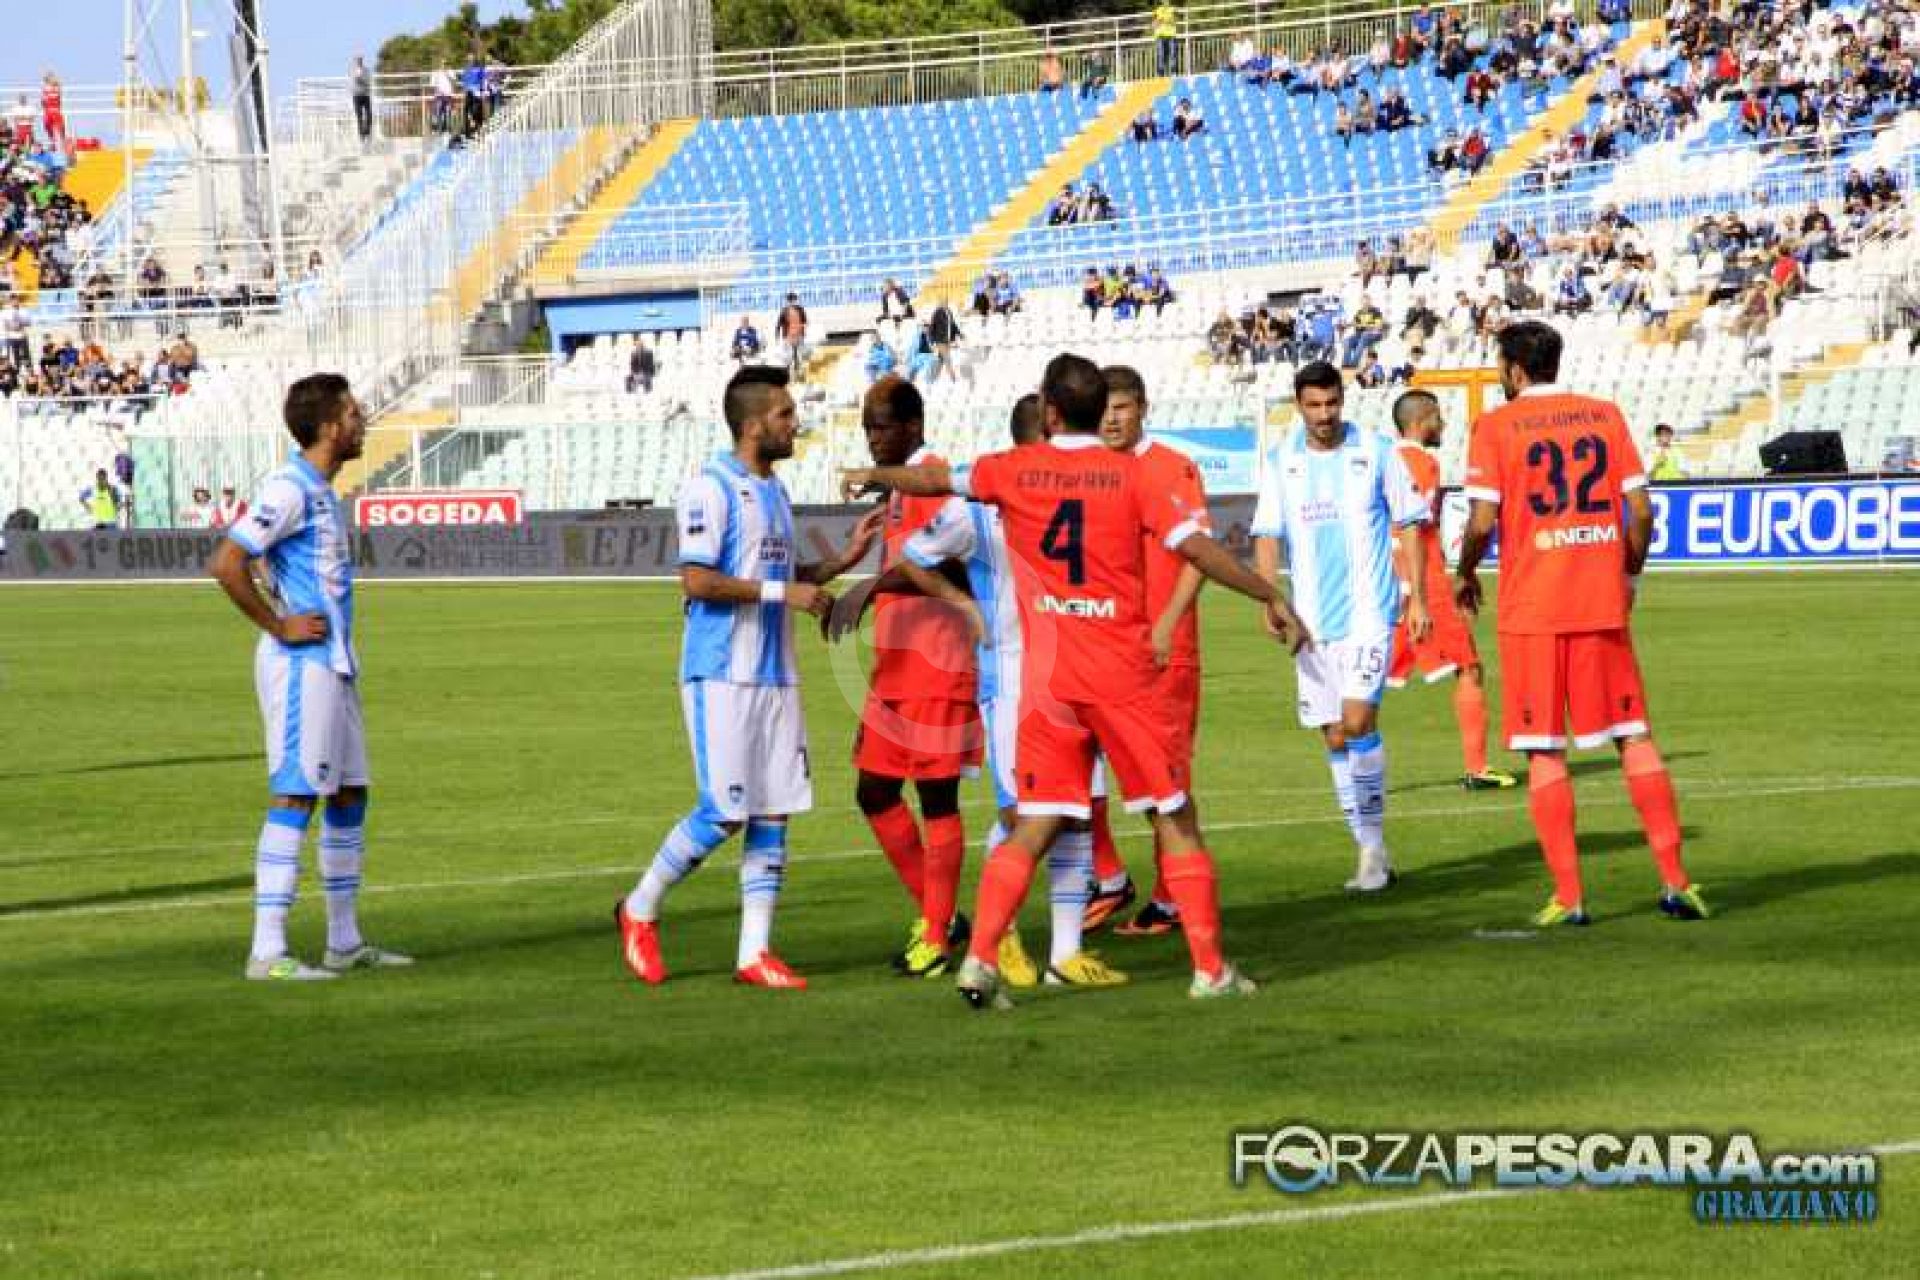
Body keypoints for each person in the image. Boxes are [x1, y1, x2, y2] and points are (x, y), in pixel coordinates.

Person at [841, 354, 1312, 1006]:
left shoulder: (1014, 470)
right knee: (1175, 813)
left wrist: (873, 474)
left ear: (1052, 411)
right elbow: (1199, 550)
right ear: (1097, 411)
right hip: (1121, 674)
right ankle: (1209, 970)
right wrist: (1269, 592)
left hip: (1048, 681)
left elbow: (933, 478)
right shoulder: (1133, 475)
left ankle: (980, 959)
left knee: (1036, 821)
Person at [615, 366, 883, 989]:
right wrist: (785, 593)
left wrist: (842, 559)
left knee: (775, 809)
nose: (796, 423)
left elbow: (785, 577)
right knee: (724, 812)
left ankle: (754, 953)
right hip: (721, 672)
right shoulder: (709, 487)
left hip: (776, 673)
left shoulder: (775, 492)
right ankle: (640, 908)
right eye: (785, 414)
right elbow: (697, 581)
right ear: (755, 423)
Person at [1454, 321, 1708, 927]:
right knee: (1634, 736)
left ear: (1515, 370)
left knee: (1544, 749)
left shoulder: (1494, 426)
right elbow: (1641, 510)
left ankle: (1570, 897)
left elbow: (1483, 521)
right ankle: (1677, 883)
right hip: (1599, 602)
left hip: (1533, 608)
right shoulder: (1604, 414)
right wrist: (1629, 578)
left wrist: (1463, 571)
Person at [206, 373, 411, 981]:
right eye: (352, 413)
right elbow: (227, 562)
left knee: (348, 795)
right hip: (301, 665)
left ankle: (343, 942)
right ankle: (267, 952)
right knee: (296, 794)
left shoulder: (320, 490)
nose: (361, 421)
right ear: (327, 427)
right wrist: (279, 624)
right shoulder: (289, 488)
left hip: (334, 662)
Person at [1251, 362, 1433, 894]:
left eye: (1331, 403)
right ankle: (1369, 850)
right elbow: (1267, 534)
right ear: (1299, 405)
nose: (1324, 414)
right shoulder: (1282, 461)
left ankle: (1372, 852)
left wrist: (1417, 598)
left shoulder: (1376, 452)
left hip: (1369, 614)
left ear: (1342, 401)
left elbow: (1409, 524)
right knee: (1333, 734)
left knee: (1357, 722)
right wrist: (1270, 598)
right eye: (1313, 405)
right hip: (1311, 621)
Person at [841, 377, 983, 977]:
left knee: (935, 799)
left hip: (936, 665)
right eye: (867, 428)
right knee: (873, 792)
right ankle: (940, 916)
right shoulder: (902, 488)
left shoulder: (934, 479)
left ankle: (936, 937)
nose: (873, 438)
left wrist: (870, 586)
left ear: (913, 426)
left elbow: (953, 560)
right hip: (894, 670)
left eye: (882, 427)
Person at [1086, 365, 1210, 938]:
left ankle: (1174, 898)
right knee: (1119, 777)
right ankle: (1115, 879)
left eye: (1122, 407)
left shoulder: (1171, 467)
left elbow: (1197, 556)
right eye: (1104, 409)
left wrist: (1165, 626)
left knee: (1167, 781)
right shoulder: (1093, 472)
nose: (1112, 419)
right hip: (1108, 652)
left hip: (1164, 652)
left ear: (1143, 408)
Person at [1384, 390, 1517, 790]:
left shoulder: (1384, 459)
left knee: (1366, 679)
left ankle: (1350, 770)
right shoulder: (1422, 463)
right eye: (1437, 417)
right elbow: (1412, 527)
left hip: (1388, 582)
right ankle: (1477, 768)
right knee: (1469, 668)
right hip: (1423, 584)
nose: (1442, 425)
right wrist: (1425, 591)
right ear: (1421, 420)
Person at [775, 293, 809, 378]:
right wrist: (777, 335)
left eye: (793, 300)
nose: (792, 302)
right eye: (790, 300)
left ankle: (799, 373)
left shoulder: (800, 309)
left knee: (799, 356)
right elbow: (779, 324)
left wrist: (803, 329)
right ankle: (787, 374)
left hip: (799, 335)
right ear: (788, 301)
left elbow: (805, 321)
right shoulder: (784, 311)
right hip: (788, 336)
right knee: (788, 357)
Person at [350, 55, 373, 144]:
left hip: (365, 95)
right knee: (359, 116)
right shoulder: (352, 70)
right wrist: (362, 81)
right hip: (356, 95)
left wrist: (362, 81)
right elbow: (355, 80)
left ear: (362, 60)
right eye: (357, 60)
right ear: (355, 61)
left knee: (369, 114)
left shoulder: (366, 70)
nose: (359, 61)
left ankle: (367, 132)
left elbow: (368, 81)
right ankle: (362, 135)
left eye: (360, 59)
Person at [1153, 2, 1179, 76]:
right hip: (1160, 35)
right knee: (1161, 55)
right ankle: (1160, 74)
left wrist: (1170, 19)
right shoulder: (1157, 10)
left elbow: (1176, 19)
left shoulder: (1172, 9)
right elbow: (1153, 25)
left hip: (1171, 34)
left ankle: (1174, 72)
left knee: (1173, 54)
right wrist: (1159, 20)